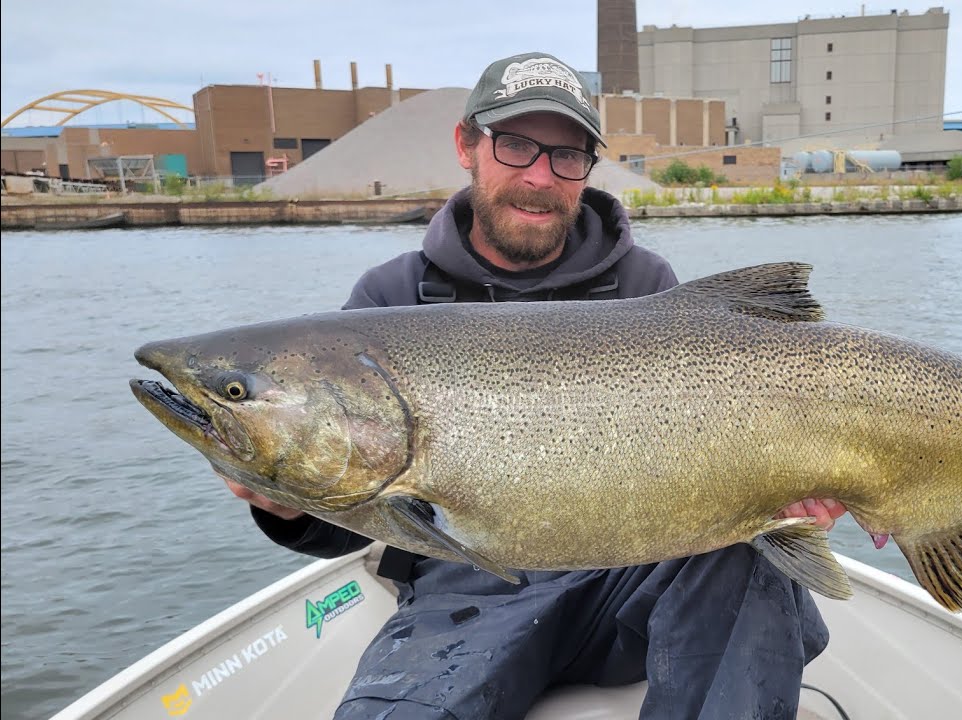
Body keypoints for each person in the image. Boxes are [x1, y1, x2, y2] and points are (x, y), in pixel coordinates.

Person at [223, 51, 848, 720]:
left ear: (588, 167)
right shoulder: (388, 300)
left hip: (632, 579)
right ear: (467, 143)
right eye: (516, 145)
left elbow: (711, 472)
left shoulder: (646, 287)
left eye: (566, 155)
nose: (539, 176)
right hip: (463, 596)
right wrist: (285, 504)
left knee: (747, 560)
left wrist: (784, 496)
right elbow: (364, 513)